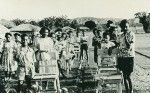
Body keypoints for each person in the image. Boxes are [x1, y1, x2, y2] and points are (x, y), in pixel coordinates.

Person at [117, 19, 135, 93]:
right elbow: (117, 44)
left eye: (126, 27)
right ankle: (127, 91)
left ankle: (131, 90)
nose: (124, 28)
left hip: (130, 57)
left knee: (129, 76)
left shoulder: (132, 34)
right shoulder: (120, 35)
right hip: (122, 57)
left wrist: (125, 37)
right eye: (123, 27)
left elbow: (129, 46)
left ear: (128, 26)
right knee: (124, 76)